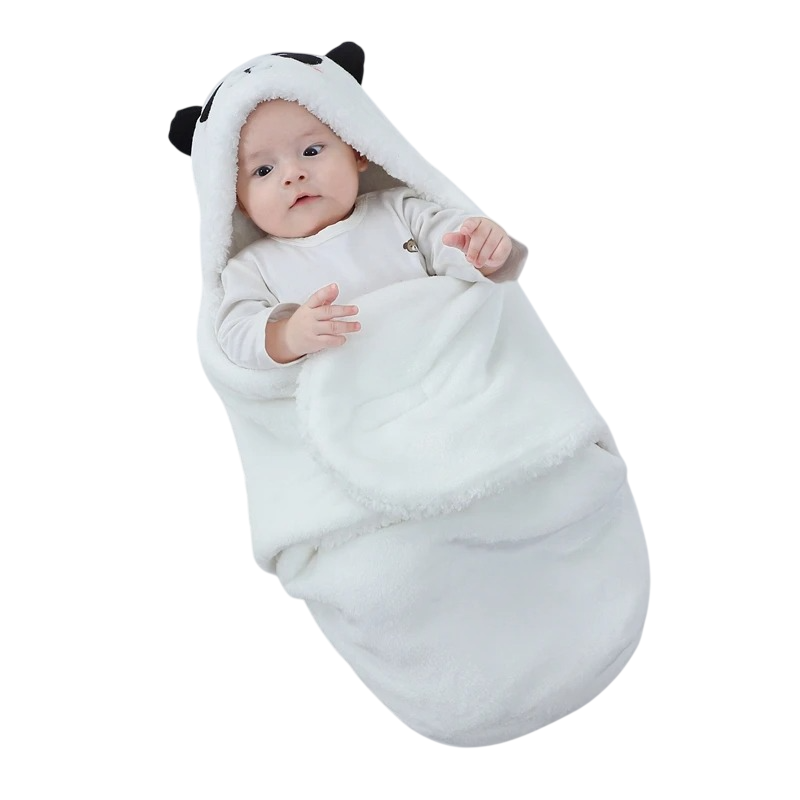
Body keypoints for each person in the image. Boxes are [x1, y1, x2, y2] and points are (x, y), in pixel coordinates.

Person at [215, 98, 514, 369]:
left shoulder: (400, 210)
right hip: (355, 394)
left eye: (311, 151)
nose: (293, 174)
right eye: (263, 170)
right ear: (239, 203)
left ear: (357, 151)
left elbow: (452, 243)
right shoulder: (251, 268)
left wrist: (481, 249)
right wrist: (288, 336)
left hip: (445, 362)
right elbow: (235, 336)